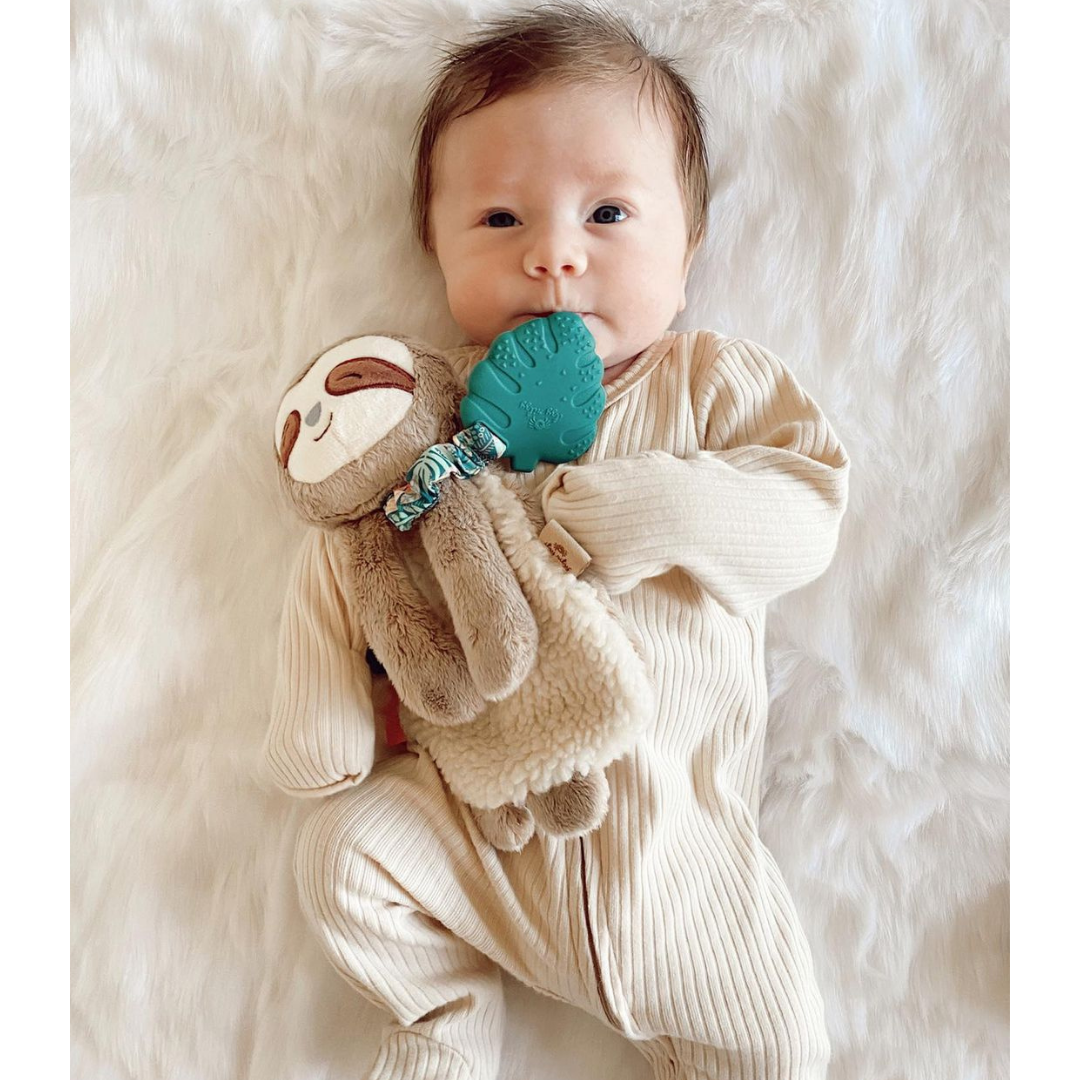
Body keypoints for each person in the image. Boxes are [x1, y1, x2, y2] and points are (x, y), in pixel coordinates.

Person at [267, 5, 850, 1078]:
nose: (552, 256)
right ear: (435, 248)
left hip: (682, 862)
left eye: (609, 213)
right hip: (488, 840)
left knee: (781, 1051)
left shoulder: (707, 385)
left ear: (689, 246)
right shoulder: (426, 419)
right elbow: (361, 553)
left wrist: (655, 507)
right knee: (342, 857)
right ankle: (444, 1019)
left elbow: (807, 513)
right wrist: (334, 688)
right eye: (499, 219)